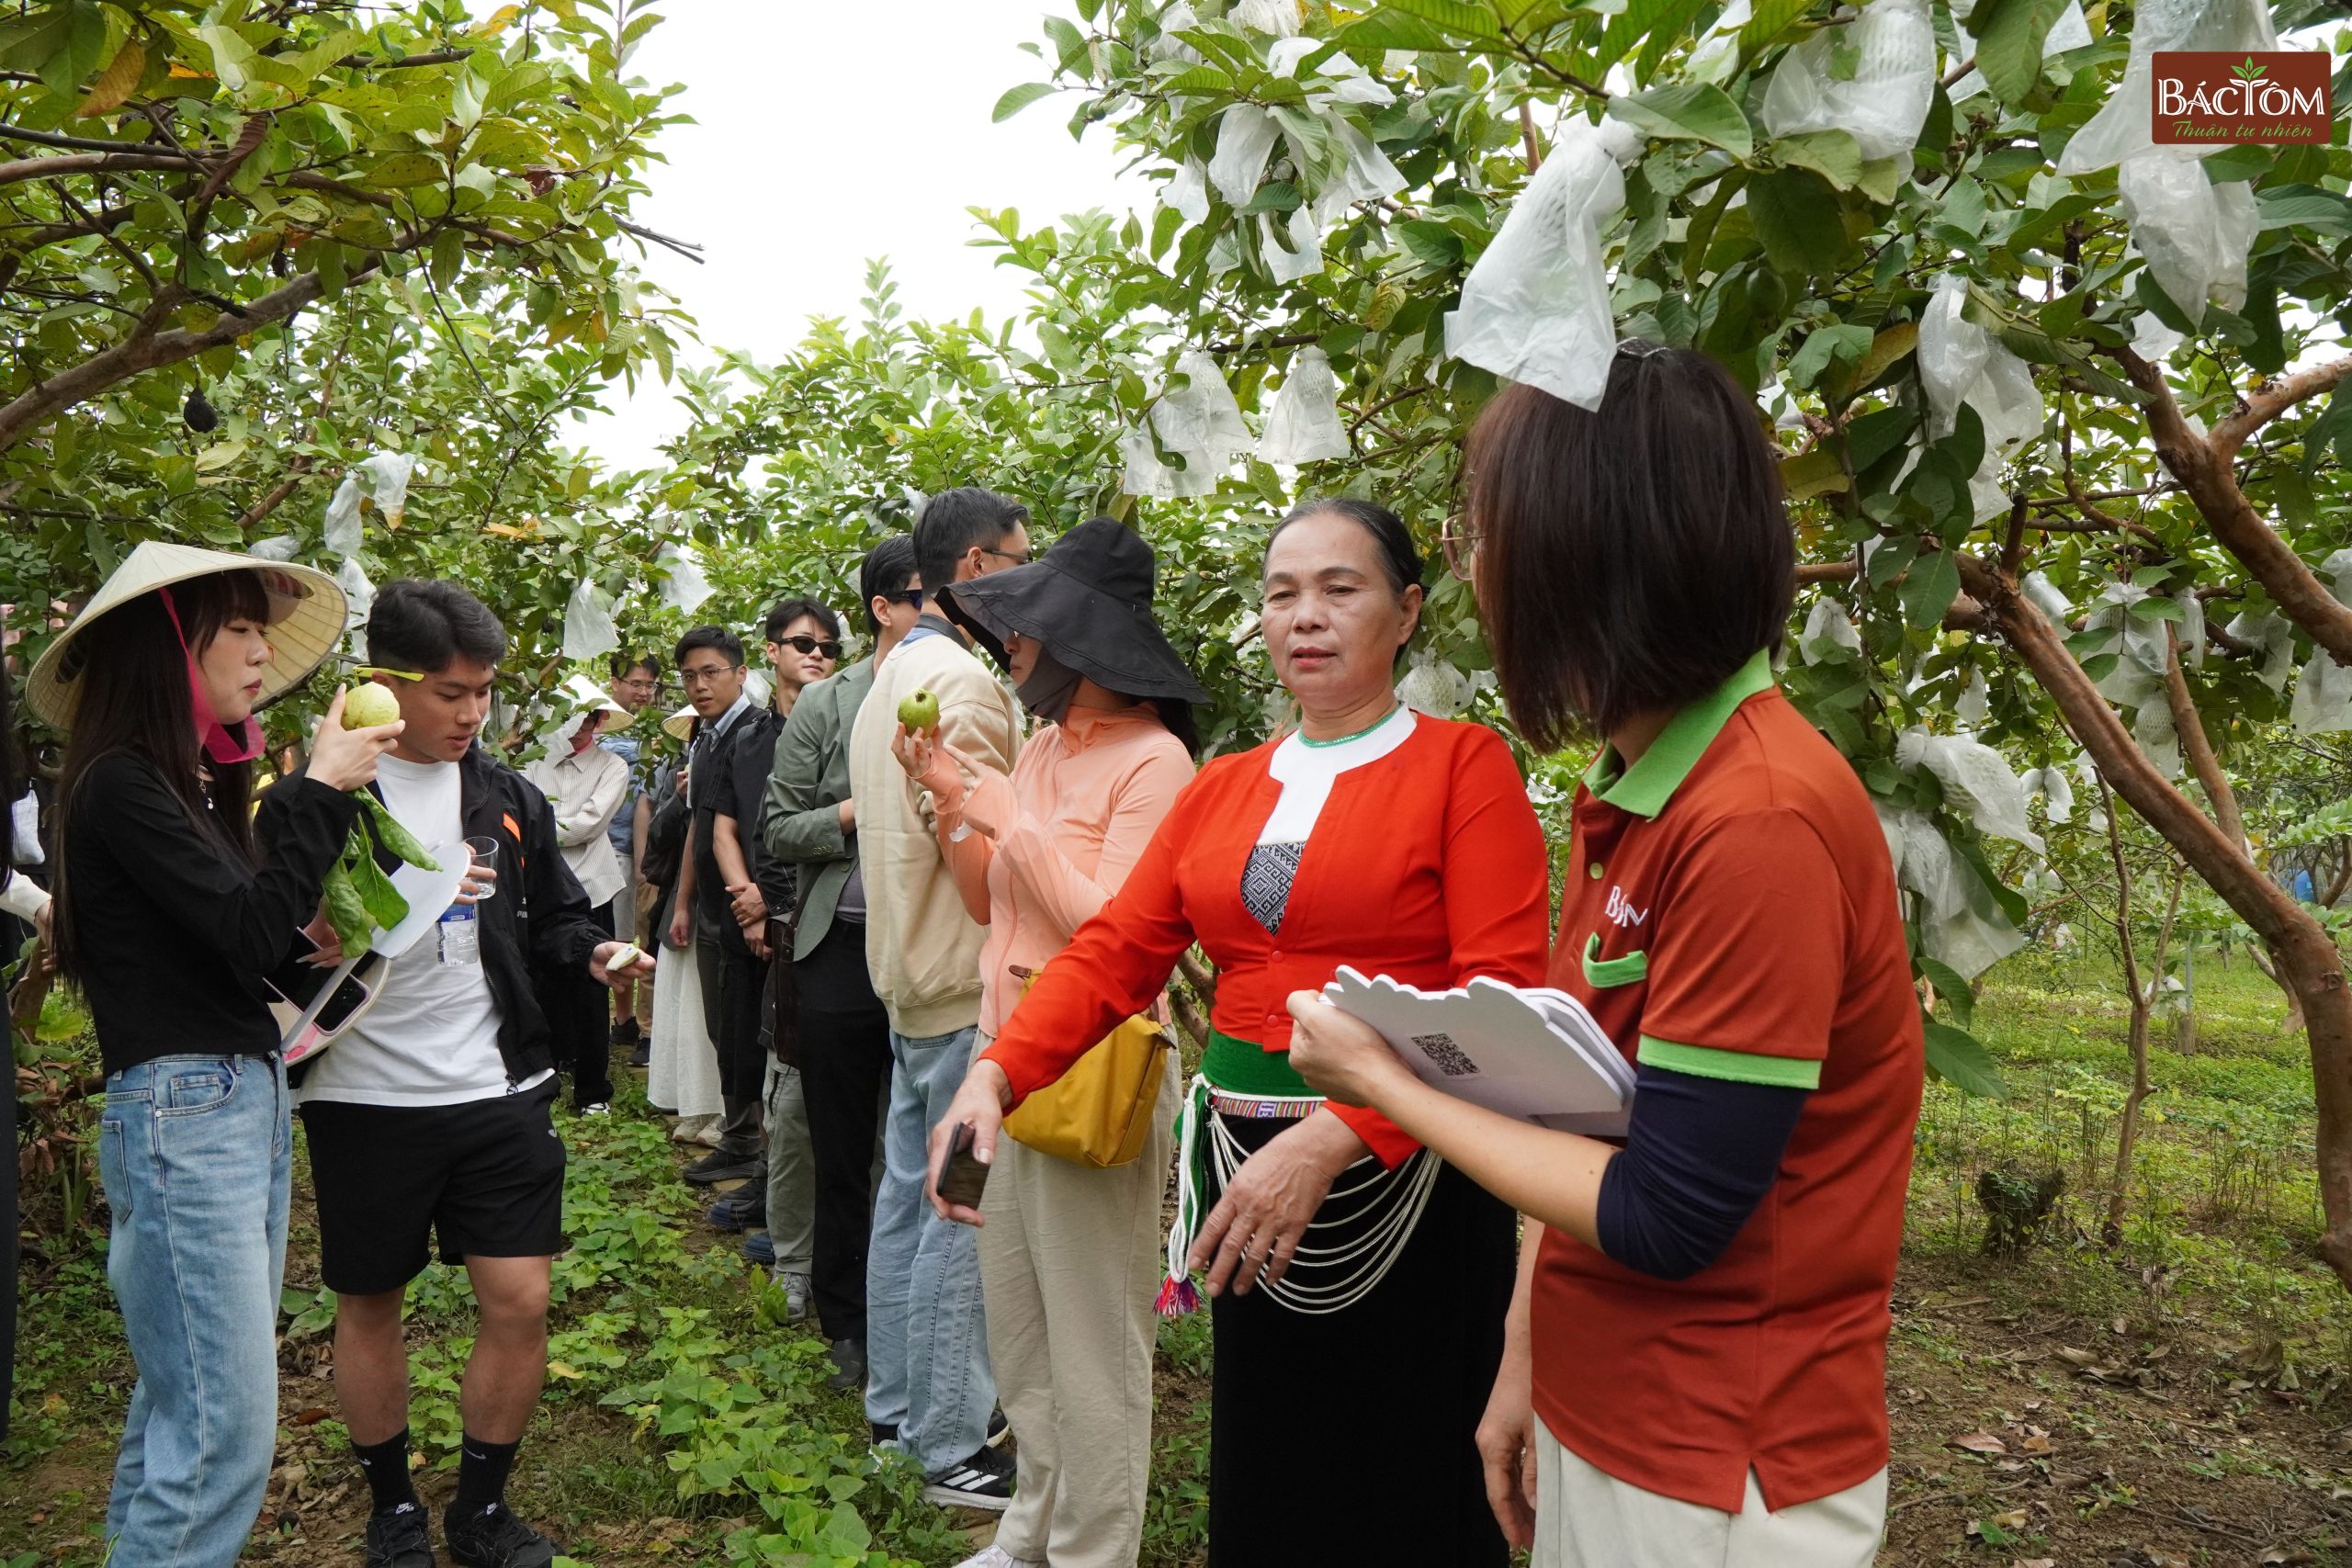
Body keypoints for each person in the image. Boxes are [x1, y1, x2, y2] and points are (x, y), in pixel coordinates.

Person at [1281, 348, 1926, 1568]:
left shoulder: (1757, 820)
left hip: (1712, 1457)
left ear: (1586, 550)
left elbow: (1671, 1212)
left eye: (1489, 533)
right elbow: (1582, 1117)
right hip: (1611, 1403)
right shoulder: (1639, 785)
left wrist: (1381, 1080)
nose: (1476, 567)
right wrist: (1528, 1358)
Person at [931, 499, 1547, 1565]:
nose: (1305, 616)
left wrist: (1342, 1134)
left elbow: (1500, 1002)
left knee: (1406, 1472)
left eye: (1339, 590)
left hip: (1408, 1174)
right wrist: (997, 1072)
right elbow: (1114, 952)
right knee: (1272, 1466)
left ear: (1406, 612)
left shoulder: (1462, 767)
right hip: (1245, 1174)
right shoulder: (1223, 787)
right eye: (1282, 594)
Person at [34, 544, 399, 1568]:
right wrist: (317, 789)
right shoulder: (119, 783)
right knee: (221, 1431)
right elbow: (243, 931)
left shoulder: (177, 785)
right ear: (167, 647)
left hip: (229, 1100)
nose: (258, 650)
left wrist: (319, 930)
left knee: (184, 1406)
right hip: (187, 1110)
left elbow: (245, 937)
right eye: (236, 628)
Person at [294, 580, 650, 1568]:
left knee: (521, 1298)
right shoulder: (323, 797)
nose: (471, 713)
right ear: (384, 682)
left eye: (483, 692)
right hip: (365, 1094)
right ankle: (393, 1507)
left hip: (497, 1086)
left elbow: (556, 917)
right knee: (371, 1302)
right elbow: (267, 934)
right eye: (450, 693)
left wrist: (593, 951)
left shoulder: (506, 797)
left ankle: (482, 1508)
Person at [897, 517, 1201, 1568]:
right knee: (1020, 1325)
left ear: (1084, 639)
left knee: (1094, 1340)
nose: (1010, 646)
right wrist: (951, 803)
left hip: (1091, 1071)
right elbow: (989, 904)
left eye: (1028, 629)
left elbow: (1118, 935)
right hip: (1003, 1062)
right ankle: (1029, 1526)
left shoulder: (1154, 763)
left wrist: (1006, 817)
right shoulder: (1037, 748)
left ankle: (1090, 1549)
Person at [852, 488, 1029, 1509]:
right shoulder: (960, 681)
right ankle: (948, 1441)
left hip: (908, 973)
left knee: (905, 1197)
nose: (1029, 580)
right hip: (964, 976)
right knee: (961, 1204)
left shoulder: (896, 671)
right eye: (1019, 559)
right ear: (976, 567)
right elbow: (983, 842)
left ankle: (896, 1409)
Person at [763, 538, 922, 1396]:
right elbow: (780, 828)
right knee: (842, 1141)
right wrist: (859, 811)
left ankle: (915, 1311)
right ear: (883, 608)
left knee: (922, 1145)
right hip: (842, 953)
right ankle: (847, 1318)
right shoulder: (830, 702)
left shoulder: (972, 693)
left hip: (933, 951)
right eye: (921, 596)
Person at [706, 598, 841, 1314]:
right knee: (767, 1065)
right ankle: (776, 1204)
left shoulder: (848, 725)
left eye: (828, 645)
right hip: (754, 916)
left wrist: (775, 905)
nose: (816, 654)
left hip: (813, 922)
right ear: (772, 652)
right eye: (802, 642)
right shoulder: (750, 738)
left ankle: (809, 1230)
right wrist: (748, 898)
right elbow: (727, 828)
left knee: (810, 1075)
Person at [668, 626, 768, 1185]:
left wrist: (759, 903)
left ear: (741, 673)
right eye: (690, 676)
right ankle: (740, 1137)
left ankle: (756, 1147)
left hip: (747, 910)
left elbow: (757, 830)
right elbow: (697, 828)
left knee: (748, 1028)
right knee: (722, 1027)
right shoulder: (704, 739)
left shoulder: (756, 735)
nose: (700, 686)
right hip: (712, 908)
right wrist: (683, 903)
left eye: (711, 673)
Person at [523, 679, 633, 1112]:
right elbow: (520, 811)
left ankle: (592, 1092)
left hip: (591, 885)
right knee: (540, 981)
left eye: (589, 717)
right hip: (539, 886)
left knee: (592, 987)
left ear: (600, 719)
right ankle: (546, 1074)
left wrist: (538, 829)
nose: (579, 726)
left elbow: (590, 824)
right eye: (571, 716)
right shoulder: (534, 759)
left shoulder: (612, 766)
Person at [645, 706, 723, 1142]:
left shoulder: (743, 752)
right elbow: (659, 837)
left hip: (717, 900)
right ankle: (693, 1103)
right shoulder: (678, 768)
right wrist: (679, 798)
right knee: (684, 1005)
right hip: (682, 899)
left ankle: (723, 1110)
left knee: (711, 1009)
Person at [604, 652, 662, 1067]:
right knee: (615, 937)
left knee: (636, 940)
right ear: (615, 683)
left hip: (635, 851)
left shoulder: (658, 733)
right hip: (602, 846)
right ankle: (623, 1020)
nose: (643, 692)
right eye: (635, 683)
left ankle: (642, 1028)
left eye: (649, 685)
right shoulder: (597, 727)